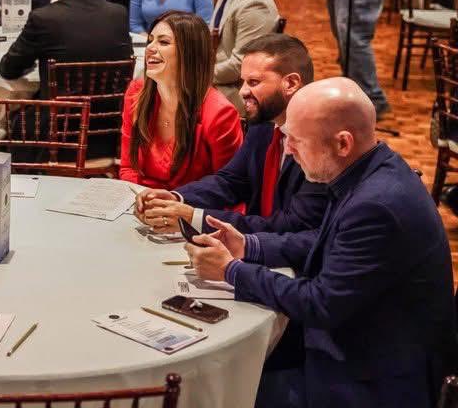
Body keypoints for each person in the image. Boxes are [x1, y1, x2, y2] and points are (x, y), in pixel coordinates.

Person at [185, 77, 455, 408]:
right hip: (362, 338)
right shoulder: (371, 167)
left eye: (296, 140)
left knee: (223, 393)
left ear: (343, 143)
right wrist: (249, 246)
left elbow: (320, 304)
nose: (287, 149)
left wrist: (232, 271)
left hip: (374, 375)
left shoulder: (377, 205)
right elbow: (324, 239)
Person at [137, 33, 327, 234]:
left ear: (290, 83)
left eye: (253, 82)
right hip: (254, 246)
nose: (242, 91)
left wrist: (194, 218)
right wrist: (176, 198)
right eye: (242, 81)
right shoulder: (263, 125)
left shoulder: (320, 141)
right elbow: (231, 181)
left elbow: (291, 226)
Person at [119, 10, 242, 189]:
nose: (150, 48)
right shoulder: (136, 92)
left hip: (190, 208)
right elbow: (128, 167)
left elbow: (228, 187)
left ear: (190, 53)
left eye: (163, 42)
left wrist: (172, 204)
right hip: (139, 201)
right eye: (150, 40)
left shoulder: (220, 113)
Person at [0, 0, 132, 91]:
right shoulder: (118, 13)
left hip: (60, 111)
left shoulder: (43, 18)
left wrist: (33, 59)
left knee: (8, 108)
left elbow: (8, 69)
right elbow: (126, 62)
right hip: (111, 111)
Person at [211, 0, 279, 114]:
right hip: (221, 79)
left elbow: (239, 66)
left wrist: (197, 74)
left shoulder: (254, 4)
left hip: (235, 92)